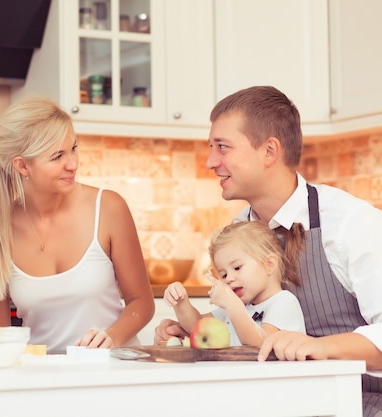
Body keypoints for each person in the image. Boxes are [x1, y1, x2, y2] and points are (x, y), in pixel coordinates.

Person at [154, 85, 382, 416]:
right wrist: (198, 327)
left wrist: (318, 347)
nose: (210, 161)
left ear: (270, 151)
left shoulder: (352, 223)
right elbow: (239, 327)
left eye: (223, 147)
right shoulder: (237, 232)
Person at [0, 96, 155, 354]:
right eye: (57, 156)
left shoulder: (109, 208)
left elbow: (142, 302)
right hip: (41, 379)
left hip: (109, 370)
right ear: (23, 165)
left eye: (74, 148)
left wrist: (111, 337)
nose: (73, 164)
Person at [164, 220, 305, 347]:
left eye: (237, 267)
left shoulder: (284, 303)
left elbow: (263, 344)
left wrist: (233, 306)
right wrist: (181, 301)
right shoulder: (238, 306)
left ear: (269, 264)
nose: (229, 279)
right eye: (223, 274)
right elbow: (196, 325)